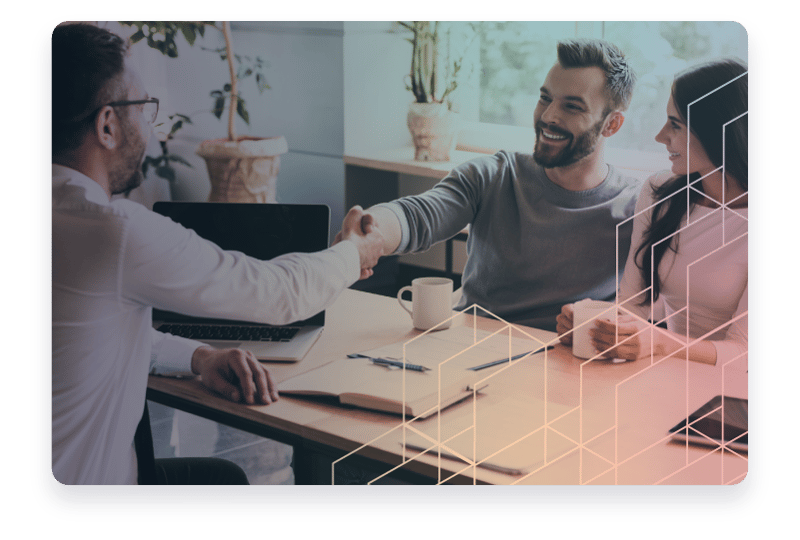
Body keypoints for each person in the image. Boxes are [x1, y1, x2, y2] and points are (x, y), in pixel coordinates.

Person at [50, 23, 384, 485]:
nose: (150, 125)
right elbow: (278, 294)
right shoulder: (113, 232)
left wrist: (200, 357)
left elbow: (83, 337)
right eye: (144, 107)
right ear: (107, 125)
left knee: (223, 476)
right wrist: (354, 250)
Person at [340, 39, 641, 331]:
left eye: (572, 107)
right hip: (471, 356)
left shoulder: (635, 207)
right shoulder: (494, 175)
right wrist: (371, 229)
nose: (548, 117)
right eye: (545, 98)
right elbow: (420, 215)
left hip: (566, 367)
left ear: (612, 124)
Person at [556, 59, 748, 366]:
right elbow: (632, 306)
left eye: (675, 124)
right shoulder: (661, 192)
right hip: (676, 388)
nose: (660, 137)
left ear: (717, 131)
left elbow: (745, 352)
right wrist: (591, 325)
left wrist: (658, 343)